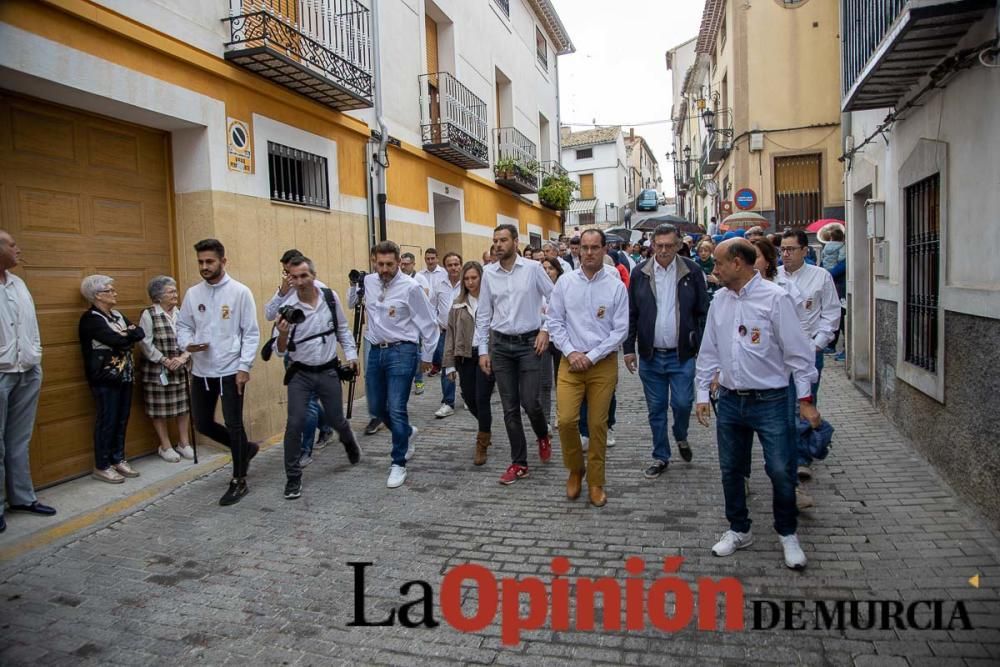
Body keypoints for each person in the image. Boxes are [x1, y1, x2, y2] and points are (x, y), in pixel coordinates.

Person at [694, 238, 820, 570]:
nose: (715, 269)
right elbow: (709, 350)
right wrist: (702, 395)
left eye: (719, 263)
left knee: (780, 469)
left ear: (738, 263)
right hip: (732, 401)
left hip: (772, 400)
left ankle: (787, 532)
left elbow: (798, 353)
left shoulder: (776, 299)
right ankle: (739, 529)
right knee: (731, 470)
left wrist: (805, 399)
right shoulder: (719, 301)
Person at [547, 229, 629, 507]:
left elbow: (620, 330)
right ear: (578, 250)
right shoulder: (565, 283)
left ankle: (596, 481)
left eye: (595, 247)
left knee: (597, 425)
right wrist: (571, 352)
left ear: (605, 249)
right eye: (585, 247)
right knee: (567, 420)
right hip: (570, 362)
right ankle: (575, 469)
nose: (590, 252)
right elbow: (554, 322)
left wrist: (591, 356)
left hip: (601, 363)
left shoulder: (616, 286)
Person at [177, 239, 260, 506]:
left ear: (223, 261)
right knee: (202, 422)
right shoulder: (193, 294)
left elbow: (251, 333)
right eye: (200, 262)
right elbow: (183, 326)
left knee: (234, 424)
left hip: (230, 370)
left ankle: (239, 479)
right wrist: (187, 344)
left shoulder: (240, 292)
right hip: (202, 370)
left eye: (209, 261)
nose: (204, 266)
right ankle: (245, 450)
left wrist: (244, 367)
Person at [624, 223, 710, 480]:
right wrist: (629, 349)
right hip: (651, 355)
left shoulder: (691, 271)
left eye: (668, 246)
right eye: (658, 246)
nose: (663, 250)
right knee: (656, 409)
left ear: (678, 245)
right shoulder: (640, 273)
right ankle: (661, 455)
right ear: (651, 245)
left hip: (682, 354)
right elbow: (632, 313)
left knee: (682, 403)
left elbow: (703, 312)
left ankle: (681, 435)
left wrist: (704, 349)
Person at [274, 256, 361, 500]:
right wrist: (282, 334)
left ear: (313, 275)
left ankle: (349, 441)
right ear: (290, 278)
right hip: (300, 374)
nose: (301, 281)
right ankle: (293, 478)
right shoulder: (287, 307)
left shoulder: (330, 298)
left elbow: (342, 329)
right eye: (295, 277)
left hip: (328, 370)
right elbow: (280, 350)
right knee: (294, 424)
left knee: (336, 418)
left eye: (305, 276)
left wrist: (352, 355)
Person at [475, 224, 554, 485]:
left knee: (530, 402)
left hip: (530, 343)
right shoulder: (488, 273)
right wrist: (483, 350)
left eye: (503, 240)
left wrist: (545, 330)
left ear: (515, 242)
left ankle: (542, 434)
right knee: (509, 408)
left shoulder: (532, 269)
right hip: (500, 346)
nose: (498, 245)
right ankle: (519, 463)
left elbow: (555, 299)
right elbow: (484, 313)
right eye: (495, 240)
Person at [363, 241, 439, 488]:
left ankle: (398, 462)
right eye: (380, 264)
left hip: (402, 351)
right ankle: (406, 432)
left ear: (398, 263)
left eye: (390, 264)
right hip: (375, 351)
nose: (384, 269)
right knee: (376, 407)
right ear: (375, 261)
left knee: (396, 407)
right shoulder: (369, 282)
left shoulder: (411, 287)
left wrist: (427, 355)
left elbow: (429, 322)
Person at [0, 231, 54, 531]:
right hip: (1, 372)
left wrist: (36, 353)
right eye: (12, 245)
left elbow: (29, 324)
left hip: (28, 369)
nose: (18, 249)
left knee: (19, 439)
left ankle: (22, 497)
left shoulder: (18, 283)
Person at [265, 249, 334, 465]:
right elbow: (269, 314)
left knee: (307, 404)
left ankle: (305, 449)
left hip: (316, 356)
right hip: (291, 354)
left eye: (291, 273)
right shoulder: (287, 290)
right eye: (286, 273)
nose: (290, 278)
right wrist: (281, 292)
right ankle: (325, 427)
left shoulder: (320, 288)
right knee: (310, 401)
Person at [79, 275, 146, 484]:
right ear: (98, 295)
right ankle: (102, 465)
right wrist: (127, 336)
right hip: (105, 378)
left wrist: (126, 336)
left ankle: (118, 458)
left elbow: (140, 332)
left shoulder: (116, 315)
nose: (115, 293)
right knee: (107, 421)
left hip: (125, 375)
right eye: (110, 290)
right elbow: (116, 340)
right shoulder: (91, 319)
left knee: (122, 417)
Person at [778, 229, 840, 408]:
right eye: (782, 249)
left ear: (805, 250)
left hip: (809, 348)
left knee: (806, 402)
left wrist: (818, 344)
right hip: (779, 352)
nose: (786, 254)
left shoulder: (821, 276)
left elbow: (831, 313)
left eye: (791, 249)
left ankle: (807, 434)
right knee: (781, 404)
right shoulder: (774, 276)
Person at [443, 261, 496, 465]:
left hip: (486, 356)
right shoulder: (458, 303)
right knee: (469, 397)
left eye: (474, 277)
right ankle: (486, 425)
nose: (470, 282)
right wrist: (449, 364)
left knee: (482, 398)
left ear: (481, 278)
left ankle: (481, 443)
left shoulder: (490, 300)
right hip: (464, 356)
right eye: (467, 278)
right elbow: (451, 334)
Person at [138, 276, 194, 463]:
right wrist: (163, 360)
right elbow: (145, 343)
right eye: (170, 292)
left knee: (184, 407)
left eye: (175, 291)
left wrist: (183, 357)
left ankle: (184, 443)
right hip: (158, 370)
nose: (175, 295)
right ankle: (165, 445)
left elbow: (192, 335)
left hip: (181, 367)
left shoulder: (182, 313)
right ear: (158, 296)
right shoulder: (149, 314)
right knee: (159, 408)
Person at [431, 252, 462, 418]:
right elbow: (431, 306)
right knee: (446, 367)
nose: (453, 267)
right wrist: (437, 323)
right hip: (445, 333)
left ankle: (468, 396)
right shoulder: (439, 284)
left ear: (461, 265)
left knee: (466, 366)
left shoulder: (468, 283)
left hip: (465, 334)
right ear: (445, 267)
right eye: (450, 265)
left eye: (456, 264)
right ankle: (448, 402)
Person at [538, 257, 564, 429]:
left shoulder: (564, 288)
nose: (547, 272)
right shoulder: (537, 291)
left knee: (561, 381)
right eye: (544, 269)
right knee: (544, 382)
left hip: (561, 341)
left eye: (551, 268)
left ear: (557, 270)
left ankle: (560, 414)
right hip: (543, 341)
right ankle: (545, 419)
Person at [400, 252, 431, 396]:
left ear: (413, 264)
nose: (403, 266)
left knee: (417, 354)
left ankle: (419, 381)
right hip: (402, 324)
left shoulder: (419, 278)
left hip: (416, 323)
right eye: (402, 263)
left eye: (406, 263)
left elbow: (424, 296)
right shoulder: (397, 278)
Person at [819, 224, 847, 360]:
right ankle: (838, 347)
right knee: (841, 318)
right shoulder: (843, 249)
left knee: (837, 317)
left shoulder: (826, 248)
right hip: (839, 286)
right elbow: (842, 263)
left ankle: (831, 345)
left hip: (835, 285)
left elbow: (823, 263)